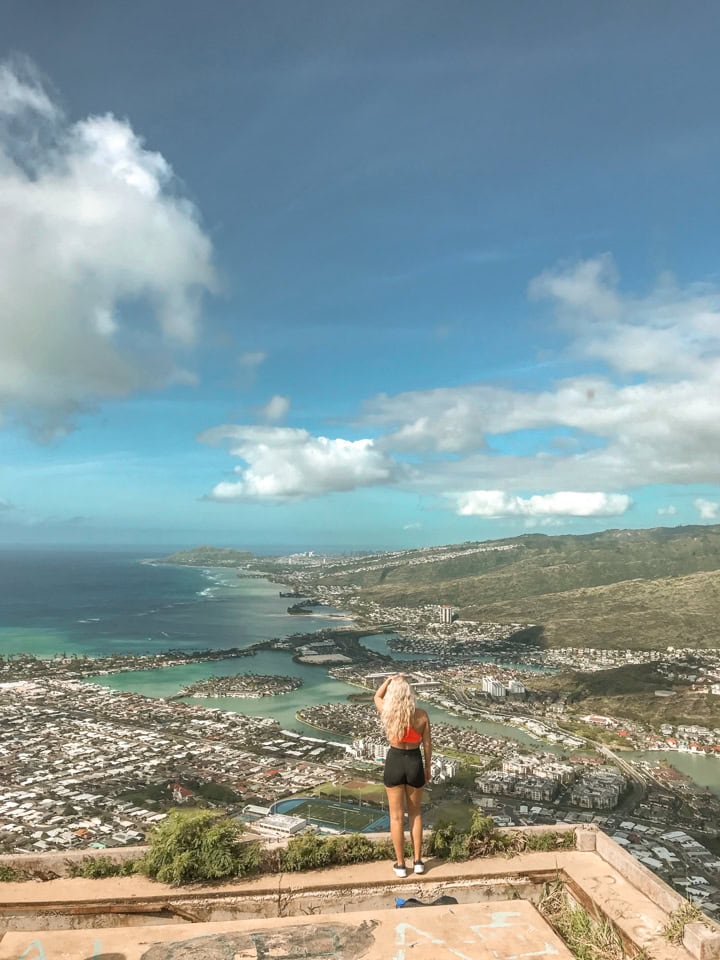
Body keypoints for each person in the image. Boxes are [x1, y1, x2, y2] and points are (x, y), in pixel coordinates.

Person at [374, 673, 432, 878]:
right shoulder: (422, 716)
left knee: (396, 817)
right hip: (415, 761)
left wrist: (389, 680)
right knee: (415, 814)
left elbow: (376, 697)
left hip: (395, 761)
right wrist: (427, 768)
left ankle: (400, 865)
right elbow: (427, 745)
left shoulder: (389, 712)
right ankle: (417, 861)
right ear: (410, 694)